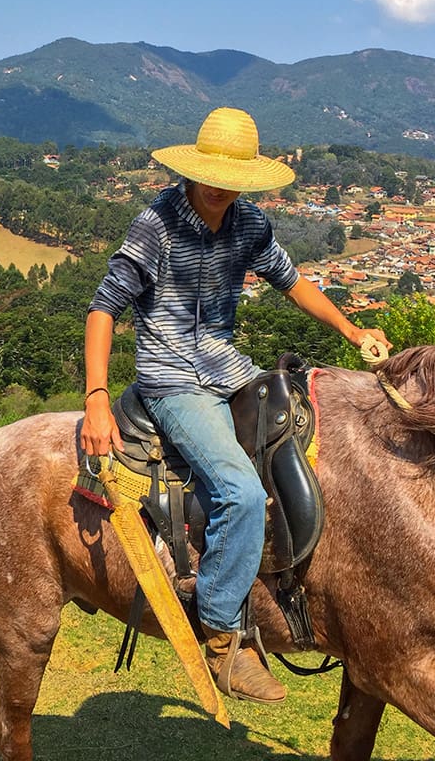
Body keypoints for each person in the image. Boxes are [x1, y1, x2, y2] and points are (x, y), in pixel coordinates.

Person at [81, 106, 390, 704]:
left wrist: (353, 333)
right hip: (173, 380)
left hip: (230, 370)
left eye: (234, 177)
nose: (221, 186)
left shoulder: (249, 223)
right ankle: (223, 636)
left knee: (307, 446)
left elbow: (291, 280)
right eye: (212, 174)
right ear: (193, 169)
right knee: (242, 491)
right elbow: (103, 308)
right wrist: (96, 399)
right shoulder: (157, 224)